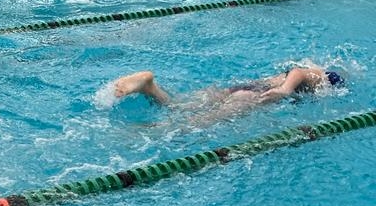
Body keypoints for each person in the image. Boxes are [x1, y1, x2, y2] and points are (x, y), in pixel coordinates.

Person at [109, 63, 344, 125]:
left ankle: (149, 86)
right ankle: (151, 132)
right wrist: (284, 90)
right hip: (256, 95)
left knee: (180, 106)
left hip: (247, 86)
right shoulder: (326, 78)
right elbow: (300, 72)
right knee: (202, 123)